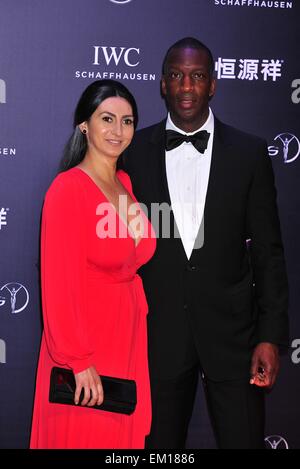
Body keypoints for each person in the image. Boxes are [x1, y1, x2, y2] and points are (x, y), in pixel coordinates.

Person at [122, 37, 289, 449]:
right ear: (162, 84)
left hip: (235, 339)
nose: (186, 87)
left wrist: (270, 335)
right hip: (156, 339)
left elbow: (268, 253)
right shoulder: (132, 152)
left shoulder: (249, 154)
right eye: (177, 76)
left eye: (197, 77)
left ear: (212, 85)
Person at [30, 79, 156, 449]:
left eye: (128, 121)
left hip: (127, 341)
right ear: (84, 125)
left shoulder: (125, 184)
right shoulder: (68, 190)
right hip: (86, 347)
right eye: (107, 119)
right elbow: (57, 282)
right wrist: (78, 359)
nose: (118, 130)